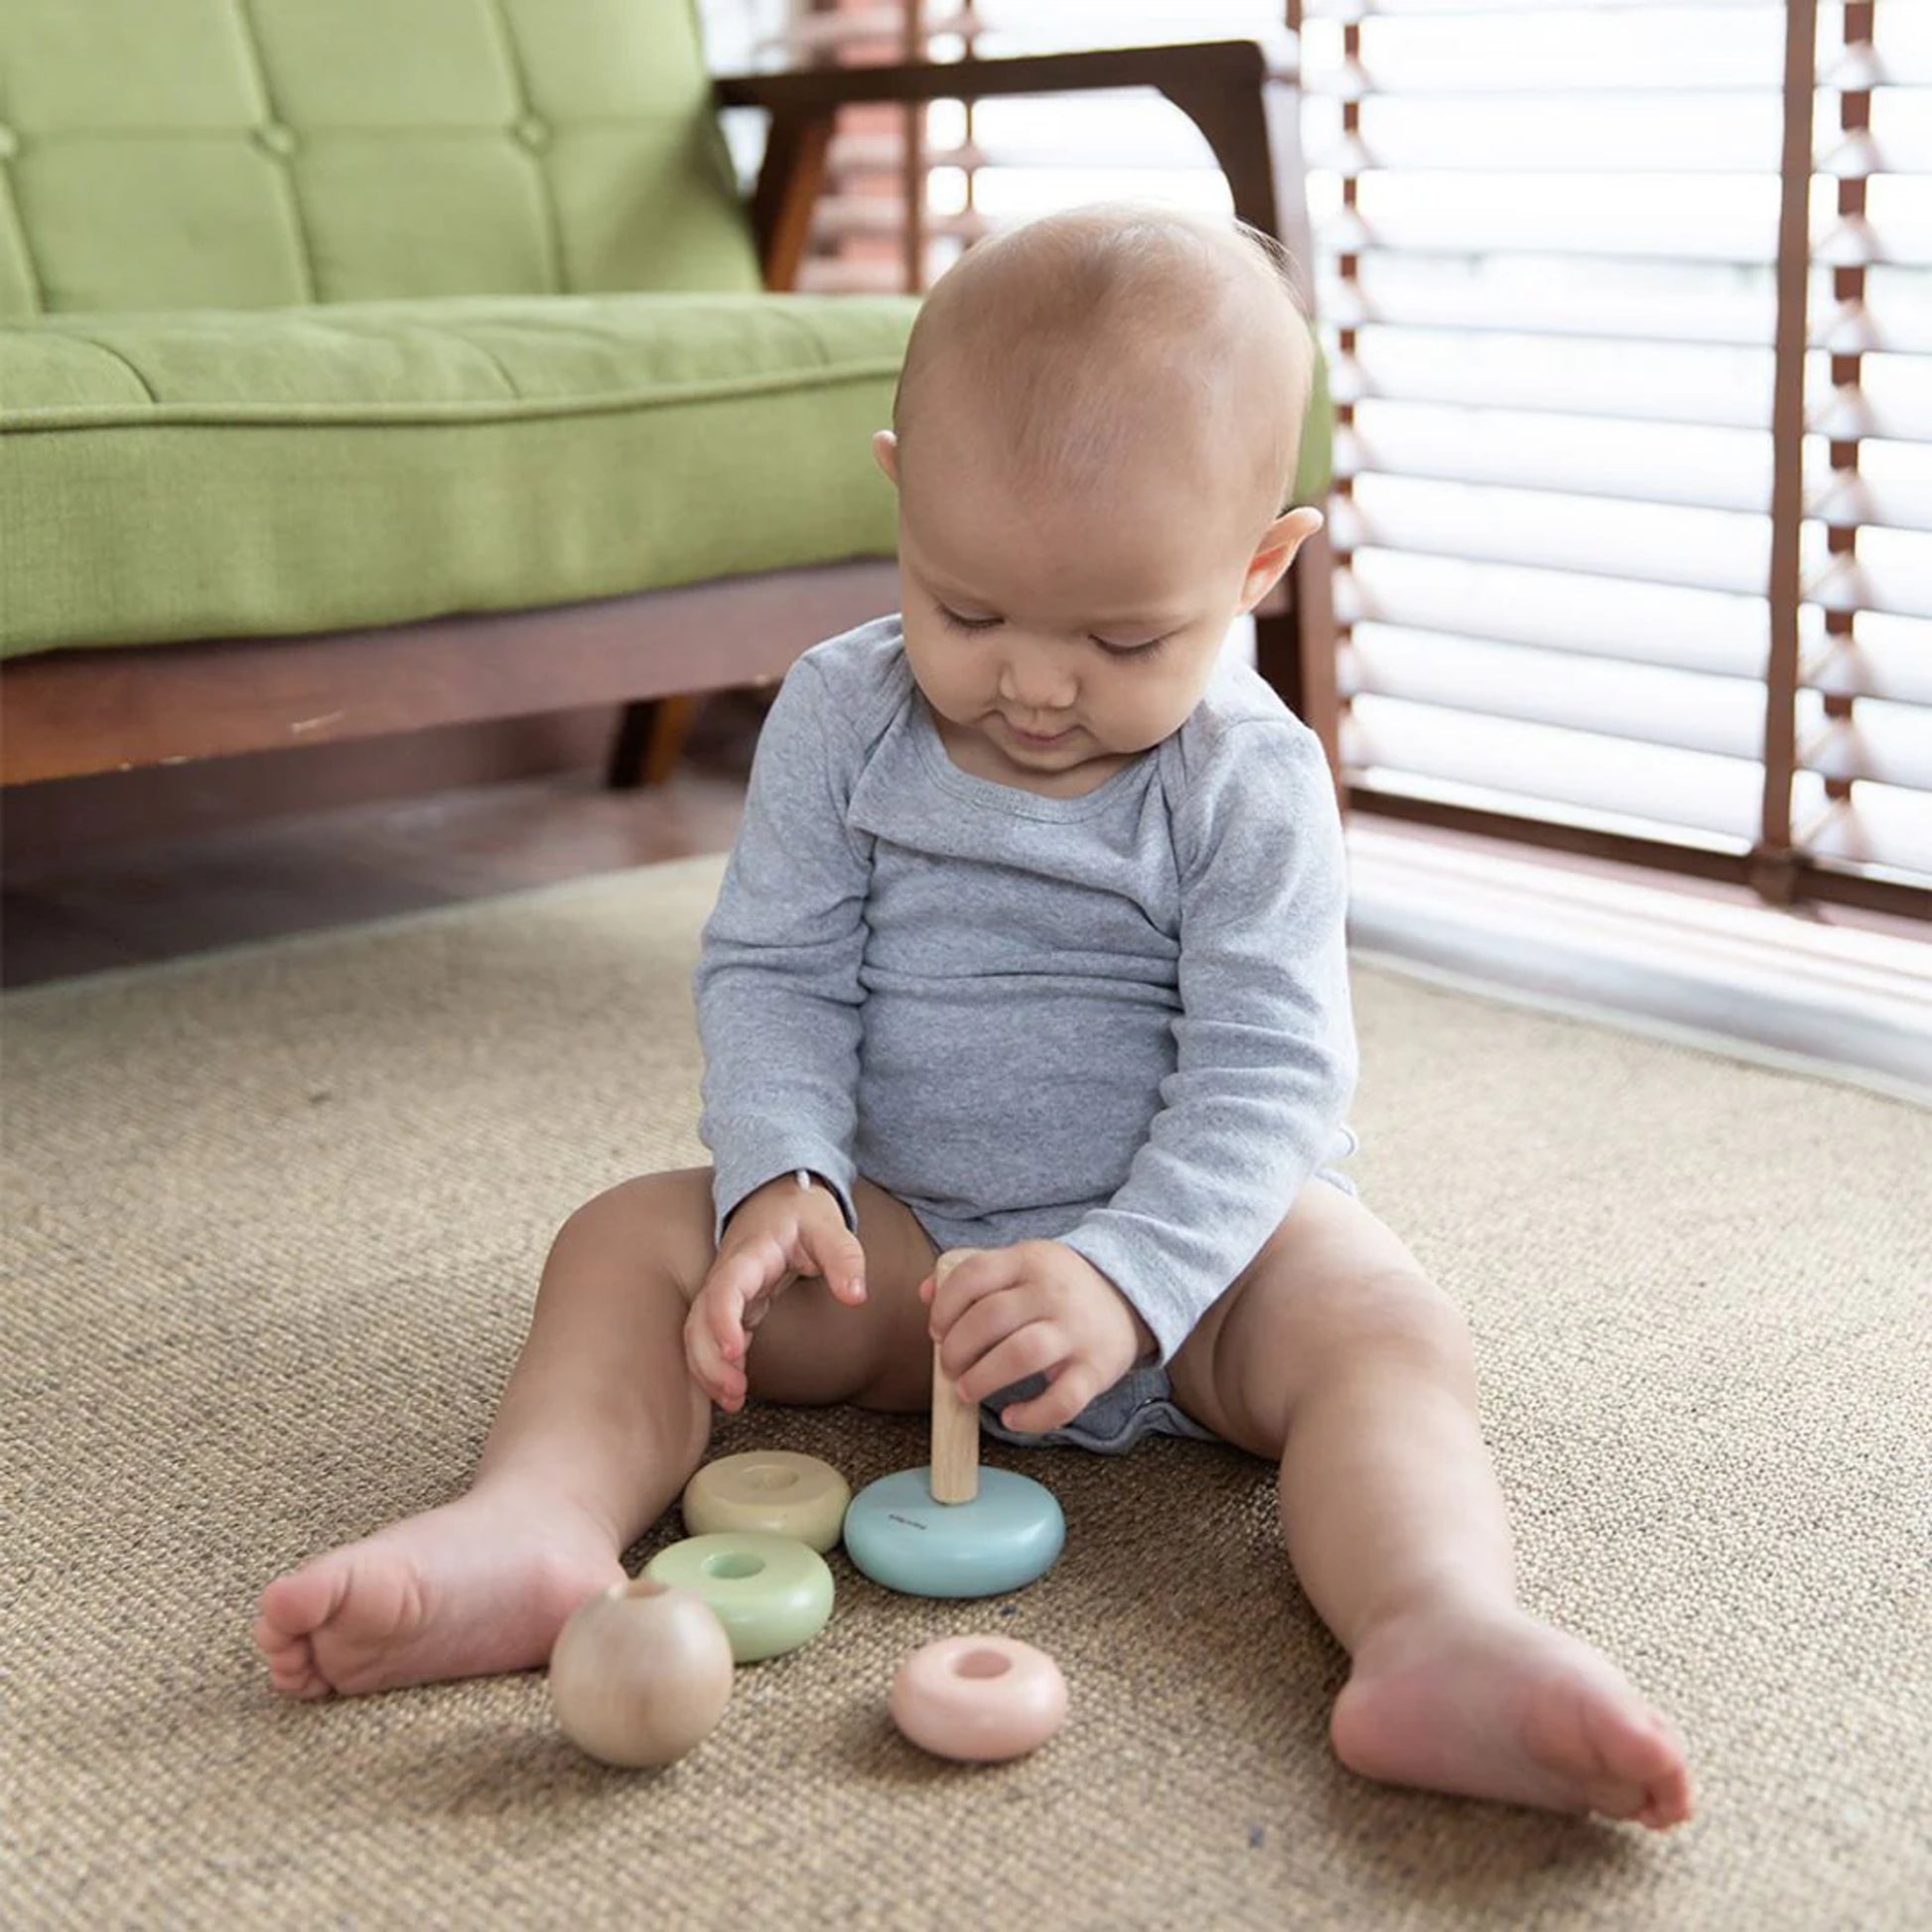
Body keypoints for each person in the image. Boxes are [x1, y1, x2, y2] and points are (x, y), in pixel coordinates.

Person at [256, 206, 1691, 1828]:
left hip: (1193, 1275)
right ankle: (529, 1525)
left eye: (1122, 636)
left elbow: (1270, 1074)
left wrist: (1129, 1272)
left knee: (1381, 1322)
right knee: (625, 1243)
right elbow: (774, 968)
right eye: (968, 608)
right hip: (903, 1251)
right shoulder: (837, 712)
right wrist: (783, 1174)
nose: (1033, 682)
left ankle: (1439, 1628)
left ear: (1258, 566)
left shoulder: (1249, 777)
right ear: (901, 500)